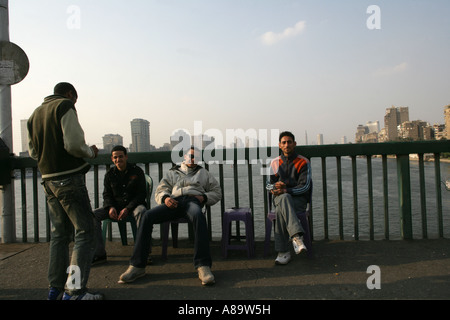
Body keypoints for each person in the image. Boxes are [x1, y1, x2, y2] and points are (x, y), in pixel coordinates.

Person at [27, 82, 103, 300]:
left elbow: (33, 151)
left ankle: (55, 289)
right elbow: (73, 144)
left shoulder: (35, 114)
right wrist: (90, 151)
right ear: (70, 94)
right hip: (69, 178)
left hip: (48, 180)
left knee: (59, 234)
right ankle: (76, 291)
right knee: (85, 231)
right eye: (75, 100)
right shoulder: (64, 106)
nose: (75, 104)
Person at [119, 147, 221, 285]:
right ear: (185, 157)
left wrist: (203, 197)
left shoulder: (204, 173)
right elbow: (161, 189)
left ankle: (203, 266)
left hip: (192, 201)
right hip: (173, 202)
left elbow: (217, 191)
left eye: (196, 157)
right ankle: (137, 266)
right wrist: (165, 198)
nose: (193, 159)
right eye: (190, 156)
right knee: (147, 216)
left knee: (198, 216)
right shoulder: (172, 172)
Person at [92, 145, 148, 265]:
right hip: (115, 206)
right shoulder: (109, 175)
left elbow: (141, 194)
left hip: (134, 206)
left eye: (121, 157)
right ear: (112, 159)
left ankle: (143, 253)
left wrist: (128, 208)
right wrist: (110, 207)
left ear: (126, 157)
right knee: (93, 215)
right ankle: (99, 253)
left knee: (142, 212)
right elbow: (106, 195)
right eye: (115, 157)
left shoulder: (137, 171)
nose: (118, 160)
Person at [266, 131, 311, 265]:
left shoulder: (303, 162)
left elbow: (305, 186)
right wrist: (275, 187)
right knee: (284, 198)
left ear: (294, 144)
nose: (287, 145)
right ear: (279, 145)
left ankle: (283, 252)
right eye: (284, 142)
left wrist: (286, 190)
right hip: (280, 197)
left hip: (298, 201)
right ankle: (296, 237)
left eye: (289, 142)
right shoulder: (274, 162)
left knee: (281, 209)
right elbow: (268, 185)